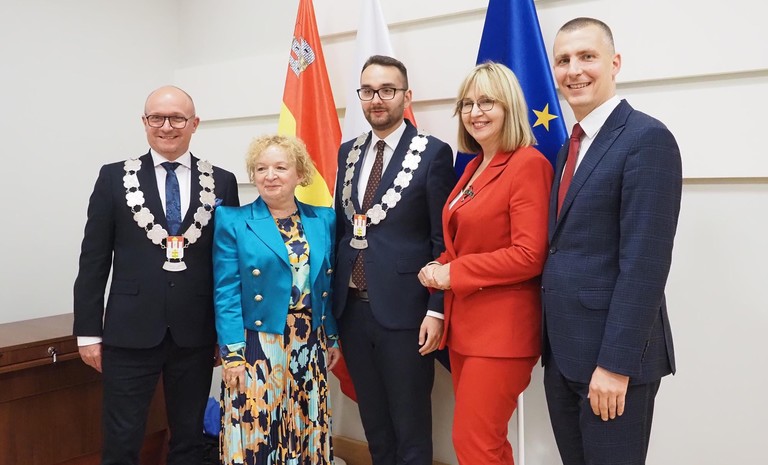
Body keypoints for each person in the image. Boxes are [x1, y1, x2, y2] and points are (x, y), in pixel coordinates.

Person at [73, 85, 240, 465]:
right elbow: (93, 260)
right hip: (129, 332)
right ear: (144, 122)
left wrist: (226, 334)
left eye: (177, 118)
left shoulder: (223, 181)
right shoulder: (113, 178)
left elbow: (226, 266)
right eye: (157, 118)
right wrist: (88, 332)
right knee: (122, 439)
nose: (166, 126)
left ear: (194, 123)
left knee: (189, 439)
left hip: (196, 334)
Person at [541, 17, 682, 465]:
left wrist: (615, 366)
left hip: (611, 363)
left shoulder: (647, 138)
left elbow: (645, 265)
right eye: (563, 60)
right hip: (563, 354)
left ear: (615, 63)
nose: (573, 70)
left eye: (587, 57)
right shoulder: (570, 147)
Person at [418, 62, 553, 465]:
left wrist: (453, 273)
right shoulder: (474, 167)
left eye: (486, 102)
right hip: (466, 328)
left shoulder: (528, 164)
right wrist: (439, 268)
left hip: (502, 334)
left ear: (509, 106)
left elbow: (529, 254)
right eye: (467, 103)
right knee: (485, 444)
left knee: (474, 444)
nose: (474, 112)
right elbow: (467, 243)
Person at [333, 55, 456, 465]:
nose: (377, 99)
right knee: (375, 425)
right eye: (368, 91)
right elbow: (343, 228)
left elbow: (442, 240)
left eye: (387, 90)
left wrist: (436, 310)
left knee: (411, 427)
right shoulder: (348, 153)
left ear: (406, 96)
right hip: (352, 311)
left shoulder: (433, 153)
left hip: (406, 313)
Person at [213, 134, 341, 465]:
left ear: (300, 173)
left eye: (281, 167)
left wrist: (331, 337)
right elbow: (226, 291)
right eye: (261, 168)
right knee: (259, 428)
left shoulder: (323, 219)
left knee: (305, 423)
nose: (270, 176)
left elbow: (326, 284)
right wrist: (232, 354)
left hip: (309, 341)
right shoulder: (233, 220)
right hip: (257, 344)